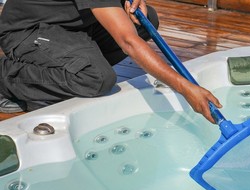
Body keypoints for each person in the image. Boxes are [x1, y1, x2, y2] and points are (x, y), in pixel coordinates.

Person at [0, 0, 221, 123]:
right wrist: (186, 87)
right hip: (26, 32)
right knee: (96, 78)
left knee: (146, 21)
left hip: (70, 26)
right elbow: (128, 42)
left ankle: (74, 66)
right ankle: (6, 79)